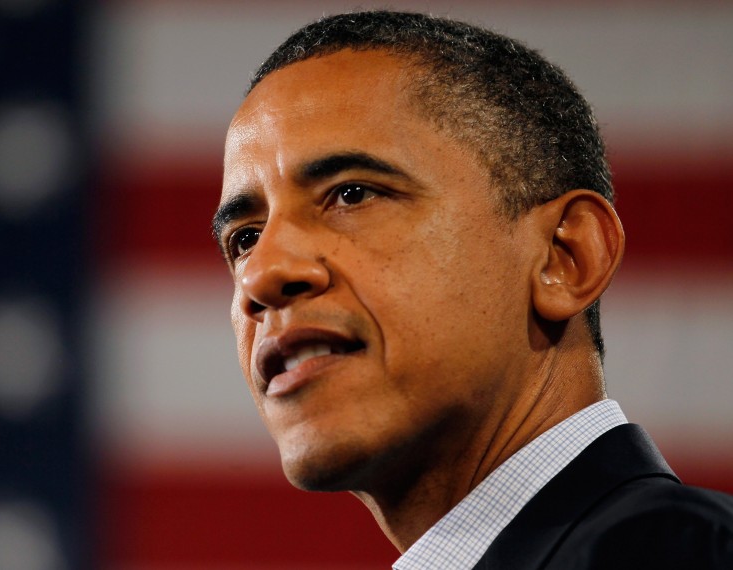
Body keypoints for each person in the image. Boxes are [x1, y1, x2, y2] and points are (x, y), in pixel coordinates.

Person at [212, 10, 733, 569]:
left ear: (567, 258)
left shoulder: (675, 552)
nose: (259, 276)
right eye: (245, 238)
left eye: (353, 194)